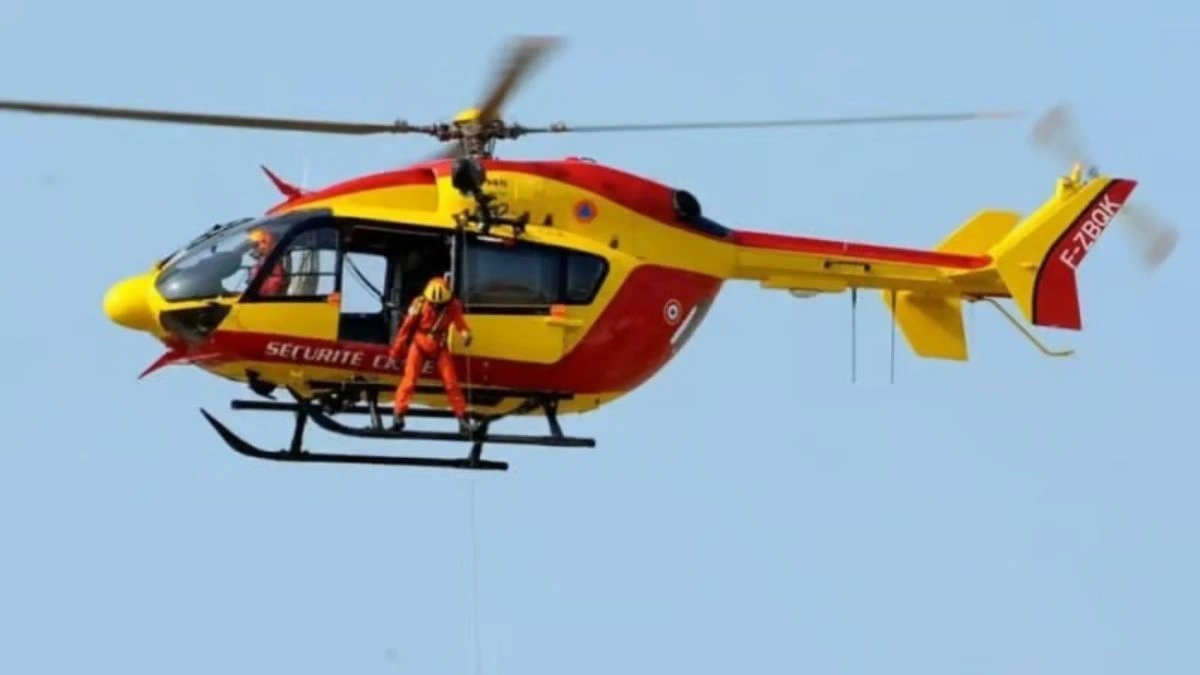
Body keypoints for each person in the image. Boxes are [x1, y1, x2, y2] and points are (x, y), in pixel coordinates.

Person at [388, 275, 473, 433]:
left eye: (439, 305)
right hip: (419, 344)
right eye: (434, 304)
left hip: (439, 345)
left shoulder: (453, 305)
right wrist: (396, 354)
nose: (436, 306)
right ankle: (398, 416)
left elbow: (459, 323)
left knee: (451, 383)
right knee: (409, 380)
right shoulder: (419, 304)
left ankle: (462, 419)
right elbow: (405, 330)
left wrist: (465, 334)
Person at [247, 227, 287, 296]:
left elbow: (273, 287)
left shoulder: (274, 265)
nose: (260, 247)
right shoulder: (257, 265)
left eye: (256, 244)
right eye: (254, 245)